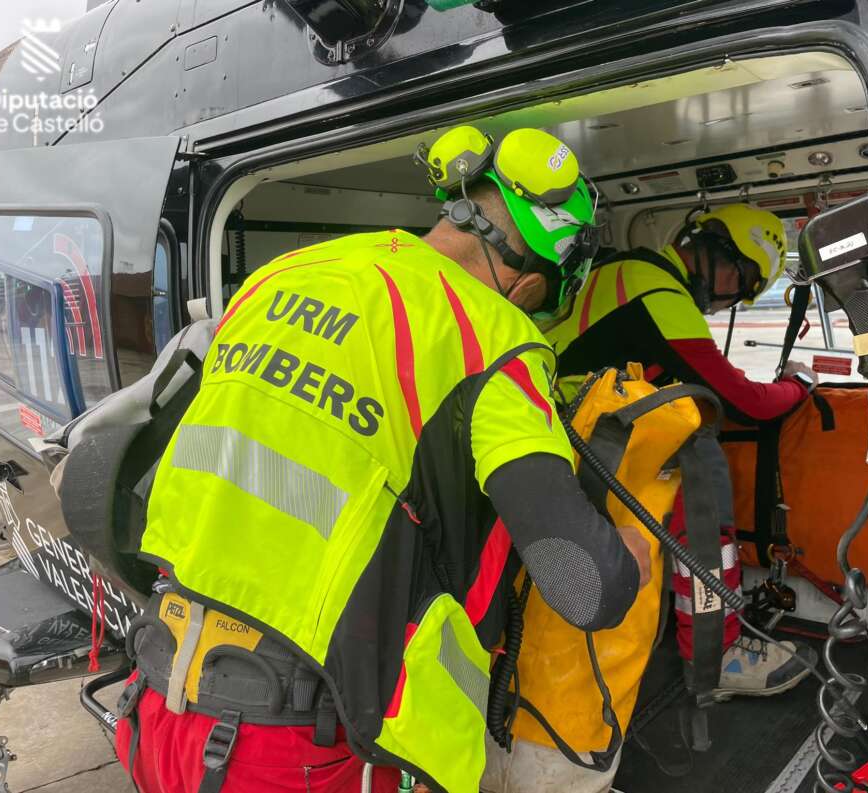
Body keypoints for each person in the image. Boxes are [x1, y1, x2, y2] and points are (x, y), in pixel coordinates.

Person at [112, 125, 651, 793]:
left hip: (156, 704)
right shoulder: (493, 334)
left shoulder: (281, 276)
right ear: (531, 285)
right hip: (295, 749)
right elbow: (584, 582)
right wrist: (630, 547)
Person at [543, 203, 819, 702]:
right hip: (582, 436)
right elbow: (746, 403)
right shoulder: (661, 293)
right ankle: (719, 654)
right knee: (699, 460)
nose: (732, 298)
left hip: (553, 431)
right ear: (722, 255)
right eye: (743, 280)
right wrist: (798, 386)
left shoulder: (617, 270)